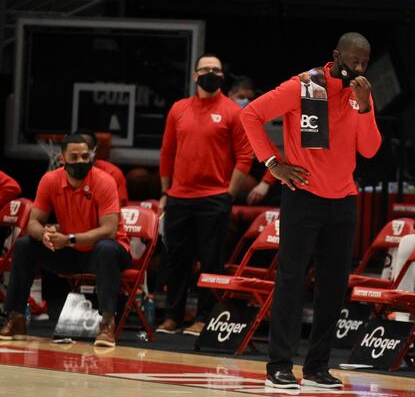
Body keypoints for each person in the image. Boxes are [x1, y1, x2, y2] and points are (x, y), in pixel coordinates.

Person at [240, 32, 381, 390]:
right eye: (353, 60)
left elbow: (370, 150)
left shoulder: (360, 94)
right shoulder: (304, 85)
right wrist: (273, 163)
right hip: (303, 196)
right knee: (290, 279)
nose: (359, 68)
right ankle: (279, 366)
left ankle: (317, 367)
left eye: (365, 62)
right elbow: (251, 115)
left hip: (343, 200)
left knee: (334, 287)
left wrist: (365, 107)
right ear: (336, 55)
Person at [0, 134, 130, 347]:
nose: (81, 161)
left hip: (106, 252)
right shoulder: (50, 180)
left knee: (106, 248)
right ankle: (16, 318)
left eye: (85, 156)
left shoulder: (104, 181)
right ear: (62, 159)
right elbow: (33, 222)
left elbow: (109, 230)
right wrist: (44, 235)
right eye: (75, 156)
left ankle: (107, 324)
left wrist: (70, 239)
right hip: (71, 251)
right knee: (24, 245)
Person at [157, 53, 253, 336]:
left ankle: (204, 317)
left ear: (222, 76)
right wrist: (166, 192)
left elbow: (245, 157)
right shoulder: (178, 109)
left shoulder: (233, 111)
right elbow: (167, 153)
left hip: (214, 198)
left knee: (212, 262)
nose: (211, 73)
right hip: (179, 197)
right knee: (176, 259)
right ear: (195, 75)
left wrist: (229, 195)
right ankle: (172, 316)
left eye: (217, 70)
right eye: (206, 69)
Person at [74, 129, 129, 207]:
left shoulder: (112, 173)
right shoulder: (60, 175)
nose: (82, 152)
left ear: (95, 150)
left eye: (87, 147)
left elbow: (118, 210)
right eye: (76, 148)